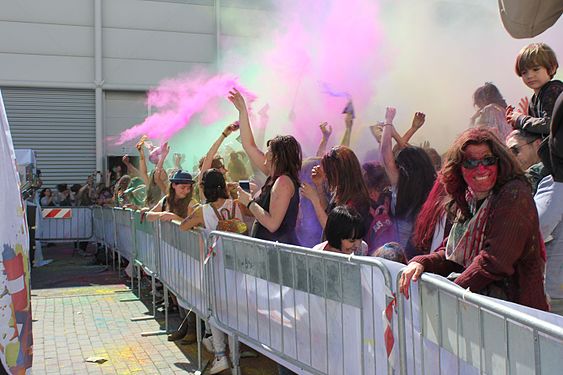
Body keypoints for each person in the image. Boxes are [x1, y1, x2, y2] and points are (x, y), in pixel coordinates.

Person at [399, 128, 549, 311]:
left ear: (499, 162)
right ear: (459, 168)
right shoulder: (469, 198)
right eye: (470, 162)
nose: (481, 169)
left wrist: (450, 294)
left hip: (518, 313)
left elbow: (495, 261)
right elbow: (452, 253)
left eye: (488, 160)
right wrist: (421, 262)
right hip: (485, 313)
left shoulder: (513, 194)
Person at [180, 169, 248, 374]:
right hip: (237, 266)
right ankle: (236, 355)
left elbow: (183, 226)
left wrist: (197, 228)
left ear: (205, 188)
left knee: (214, 312)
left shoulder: (203, 211)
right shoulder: (237, 205)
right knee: (234, 311)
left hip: (215, 266)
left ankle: (221, 355)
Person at [228, 88, 302, 246]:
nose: (265, 154)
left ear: (276, 157)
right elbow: (249, 146)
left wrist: (249, 202)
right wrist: (242, 111)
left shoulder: (283, 182)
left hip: (279, 257)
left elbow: (272, 224)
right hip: (270, 252)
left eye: (268, 152)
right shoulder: (275, 175)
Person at [380, 107, 436, 258]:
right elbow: (396, 153)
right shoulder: (433, 186)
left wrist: (388, 121)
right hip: (421, 257)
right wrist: (412, 129)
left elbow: (386, 153)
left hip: (400, 256)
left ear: (403, 168)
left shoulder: (401, 186)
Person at [300, 146, 372, 236]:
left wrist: (315, 200)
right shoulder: (342, 190)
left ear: (340, 173)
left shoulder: (355, 201)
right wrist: (319, 185)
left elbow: (333, 232)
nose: (326, 177)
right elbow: (329, 214)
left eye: (328, 173)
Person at [507, 43, 563, 136]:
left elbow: (549, 125)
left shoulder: (554, 89)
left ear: (552, 68)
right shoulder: (533, 101)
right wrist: (515, 121)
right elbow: (536, 134)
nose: (530, 76)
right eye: (524, 72)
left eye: (536, 69)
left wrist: (521, 119)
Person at [506, 129, 546, 194]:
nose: (512, 159)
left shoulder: (555, 173)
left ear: (538, 144)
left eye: (515, 150)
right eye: (509, 155)